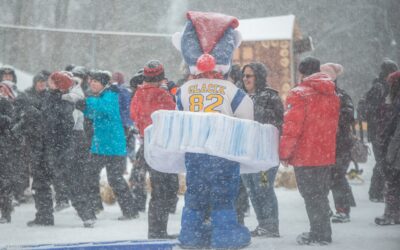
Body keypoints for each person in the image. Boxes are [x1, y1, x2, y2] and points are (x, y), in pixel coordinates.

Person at [171, 11, 254, 249]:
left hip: (195, 151)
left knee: (195, 196)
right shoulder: (229, 89)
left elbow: (177, 115)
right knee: (223, 196)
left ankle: (191, 235)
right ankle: (225, 235)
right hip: (223, 151)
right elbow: (247, 116)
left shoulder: (185, 89)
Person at [280, 56, 340, 245]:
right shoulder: (332, 93)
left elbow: (292, 128)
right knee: (320, 194)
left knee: (310, 196)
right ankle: (323, 231)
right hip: (325, 152)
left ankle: (319, 234)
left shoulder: (298, 94)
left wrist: (284, 153)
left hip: (305, 155)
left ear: (301, 72)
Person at [27, 71, 96, 228]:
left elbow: (56, 123)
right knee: (40, 183)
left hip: (59, 150)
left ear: (58, 85)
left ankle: (87, 215)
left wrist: (38, 116)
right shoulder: (49, 97)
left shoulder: (64, 101)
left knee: (70, 182)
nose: (47, 82)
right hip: (46, 149)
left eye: (51, 81)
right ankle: (44, 216)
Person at [76, 70, 138, 220]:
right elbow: (94, 113)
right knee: (90, 176)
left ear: (103, 84)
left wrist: (86, 103)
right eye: (91, 81)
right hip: (100, 146)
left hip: (113, 147)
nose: (92, 84)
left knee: (115, 179)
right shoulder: (101, 96)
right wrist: (85, 109)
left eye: (96, 82)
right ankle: (95, 206)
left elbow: (103, 108)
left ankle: (130, 211)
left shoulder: (111, 95)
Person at [130, 60, 179, 239]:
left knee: (157, 190)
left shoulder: (138, 94)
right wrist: (168, 93)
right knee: (164, 189)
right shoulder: (162, 94)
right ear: (161, 76)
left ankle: (155, 231)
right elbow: (174, 113)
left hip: (147, 144)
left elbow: (133, 115)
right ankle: (159, 232)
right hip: (163, 146)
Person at [240, 62, 284, 237]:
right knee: (251, 189)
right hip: (245, 153)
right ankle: (262, 224)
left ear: (258, 77)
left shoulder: (270, 97)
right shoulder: (240, 96)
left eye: (249, 75)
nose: (245, 79)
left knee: (263, 187)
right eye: (244, 75)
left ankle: (271, 225)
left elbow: (281, 123)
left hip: (265, 154)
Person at [320, 63, 356, 223]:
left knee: (337, 176)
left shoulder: (341, 96)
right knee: (326, 177)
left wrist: (331, 120)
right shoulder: (321, 95)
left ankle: (342, 209)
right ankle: (328, 208)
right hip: (325, 144)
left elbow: (349, 117)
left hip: (339, 145)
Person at [365, 59, 398, 202]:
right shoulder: (380, 88)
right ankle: (376, 192)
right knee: (382, 162)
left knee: (383, 162)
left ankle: (377, 191)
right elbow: (373, 110)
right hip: (380, 132)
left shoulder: (382, 86)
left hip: (381, 131)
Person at [374, 71, 400, 225]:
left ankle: (391, 214)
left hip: (396, 150)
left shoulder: (396, 102)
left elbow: (396, 131)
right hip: (394, 148)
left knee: (393, 183)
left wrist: (389, 153)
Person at [0, 80, 16, 223]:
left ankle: (6, 212)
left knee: (4, 182)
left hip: (4, 147)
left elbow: (10, 121)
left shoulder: (6, 103)